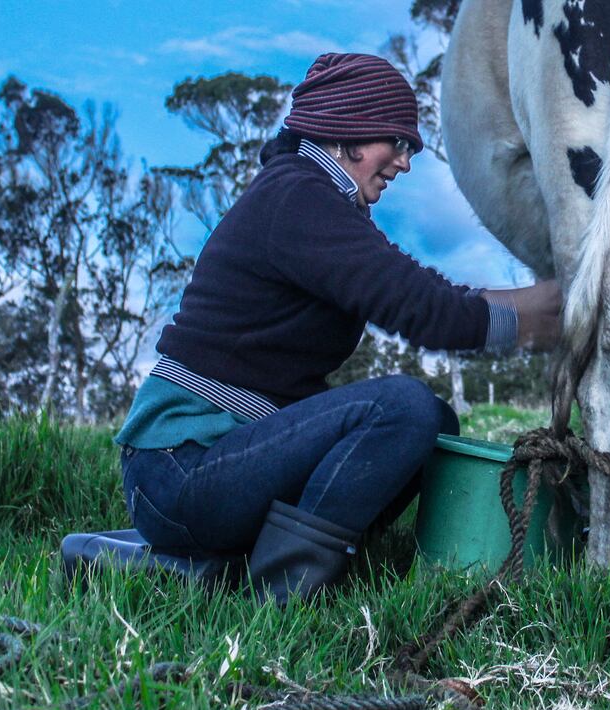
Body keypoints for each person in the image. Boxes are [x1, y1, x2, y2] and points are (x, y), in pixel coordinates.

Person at [114, 53, 562, 604]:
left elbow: (419, 295)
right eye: (397, 142)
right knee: (405, 408)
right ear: (351, 130)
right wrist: (538, 313)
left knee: (434, 422)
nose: (404, 162)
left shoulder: (317, 202)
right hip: (177, 470)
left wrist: (526, 310)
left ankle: (249, 568)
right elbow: (419, 304)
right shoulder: (298, 198)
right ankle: (282, 601)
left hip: (217, 463)